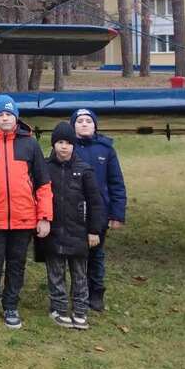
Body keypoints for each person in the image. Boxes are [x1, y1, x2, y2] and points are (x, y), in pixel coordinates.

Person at [0, 94, 52, 329]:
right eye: (0, 114)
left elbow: (43, 183)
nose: (5, 118)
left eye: (9, 114)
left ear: (16, 117)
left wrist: (44, 216)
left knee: (16, 264)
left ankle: (11, 305)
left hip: (23, 218)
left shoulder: (30, 144)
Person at [44, 122, 105, 330]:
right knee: (56, 273)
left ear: (74, 145)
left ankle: (80, 310)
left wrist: (94, 230)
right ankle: (59, 308)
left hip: (79, 231)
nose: (64, 147)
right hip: (53, 231)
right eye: (60, 142)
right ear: (53, 144)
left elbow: (95, 202)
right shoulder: (45, 167)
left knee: (79, 274)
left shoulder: (84, 170)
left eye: (68, 143)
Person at [70, 108, 127, 312]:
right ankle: (79, 291)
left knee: (96, 254)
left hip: (99, 211)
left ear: (95, 126)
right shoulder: (66, 147)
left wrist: (117, 213)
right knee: (76, 254)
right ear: (73, 126)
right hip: (73, 211)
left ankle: (96, 292)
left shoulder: (106, 150)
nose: (84, 124)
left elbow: (116, 182)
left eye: (88, 121)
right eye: (79, 121)